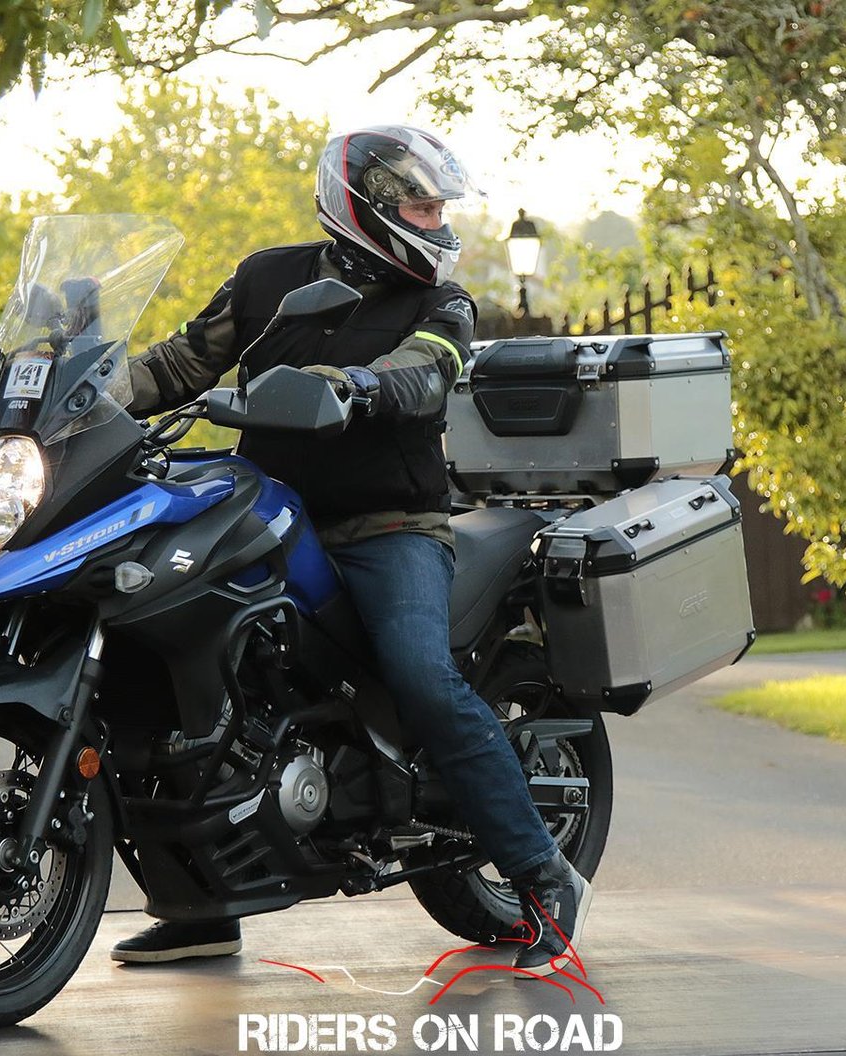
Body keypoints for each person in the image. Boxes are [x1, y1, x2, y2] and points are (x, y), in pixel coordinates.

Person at [113, 124, 590, 979]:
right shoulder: (267, 279)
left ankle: (544, 875)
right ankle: (200, 906)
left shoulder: (441, 304)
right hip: (268, 516)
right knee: (174, 663)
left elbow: (425, 373)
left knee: (419, 673)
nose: (436, 220)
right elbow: (182, 363)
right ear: (363, 203)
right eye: (420, 205)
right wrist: (90, 387)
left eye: (438, 206)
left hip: (389, 528)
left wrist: (357, 384)